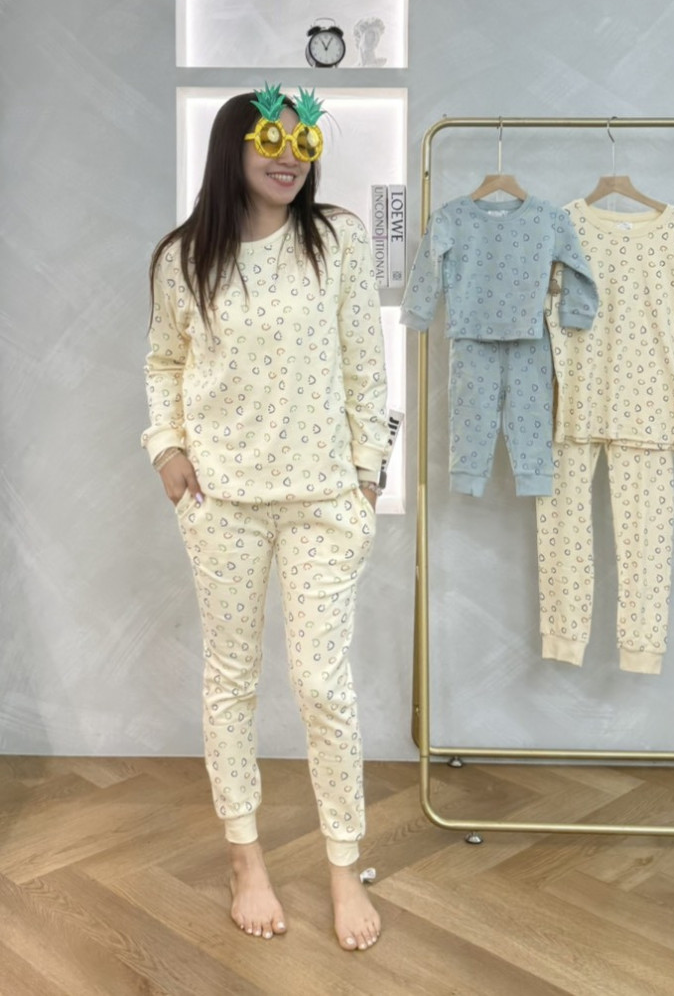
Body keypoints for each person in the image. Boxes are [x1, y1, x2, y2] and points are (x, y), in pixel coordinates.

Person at [142, 84, 389, 952]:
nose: (290, 158)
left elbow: (366, 363)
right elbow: (163, 360)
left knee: (323, 684)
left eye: (303, 142)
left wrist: (366, 474)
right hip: (223, 504)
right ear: (232, 148)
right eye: (270, 141)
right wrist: (167, 450)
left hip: (324, 501)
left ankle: (342, 863)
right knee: (232, 678)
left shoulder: (339, 241)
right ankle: (245, 859)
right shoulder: (184, 258)